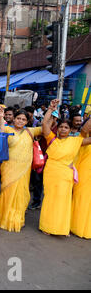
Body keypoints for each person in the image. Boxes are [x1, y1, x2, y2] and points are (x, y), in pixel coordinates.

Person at [39, 100, 91, 236]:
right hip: (51, 173)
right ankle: (46, 226)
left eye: (66, 128)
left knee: (64, 200)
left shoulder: (75, 141)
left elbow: (87, 134)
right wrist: (50, 109)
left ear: (70, 130)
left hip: (65, 175)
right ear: (58, 129)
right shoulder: (52, 139)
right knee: (50, 199)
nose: (63, 129)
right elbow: (44, 124)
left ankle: (61, 228)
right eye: (61, 127)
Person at [0, 107, 42, 232]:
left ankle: (17, 219)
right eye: (18, 118)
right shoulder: (8, 129)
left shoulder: (31, 131)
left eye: (23, 119)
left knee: (22, 194)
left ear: (27, 121)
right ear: (13, 119)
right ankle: (3, 218)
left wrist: (52, 111)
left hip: (24, 169)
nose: (20, 121)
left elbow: (46, 128)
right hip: (9, 168)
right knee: (7, 193)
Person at [71, 122, 91, 239]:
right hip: (84, 174)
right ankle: (76, 226)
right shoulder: (83, 139)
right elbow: (84, 129)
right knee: (80, 199)